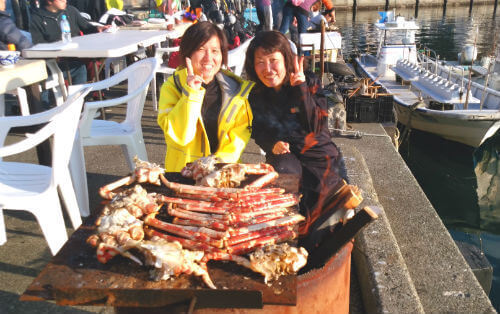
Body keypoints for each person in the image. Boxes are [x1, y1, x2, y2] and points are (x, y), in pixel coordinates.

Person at [244, 31, 346, 240]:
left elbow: (316, 125)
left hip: (318, 156)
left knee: (323, 217)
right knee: (283, 177)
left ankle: (315, 244)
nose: (268, 69)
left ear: (286, 59)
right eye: (260, 62)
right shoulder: (256, 94)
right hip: (286, 156)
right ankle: (285, 235)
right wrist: (271, 143)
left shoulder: (308, 81)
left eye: (274, 60)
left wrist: (301, 89)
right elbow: (258, 129)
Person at [157, 21, 254, 172]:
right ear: (188, 53)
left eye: (215, 51)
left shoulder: (235, 91)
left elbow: (237, 140)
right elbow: (180, 136)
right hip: (182, 174)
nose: (208, 58)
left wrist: (216, 166)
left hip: (223, 172)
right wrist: (191, 94)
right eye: (201, 49)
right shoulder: (172, 88)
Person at [30, 0, 110, 85]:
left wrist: (98, 28)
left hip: (76, 51)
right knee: (79, 66)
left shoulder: (71, 11)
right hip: (56, 59)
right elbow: (38, 45)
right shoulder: (37, 18)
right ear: (49, 1)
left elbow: (86, 27)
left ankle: (95, 92)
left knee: (93, 61)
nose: (65, 1)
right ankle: (72, 94)